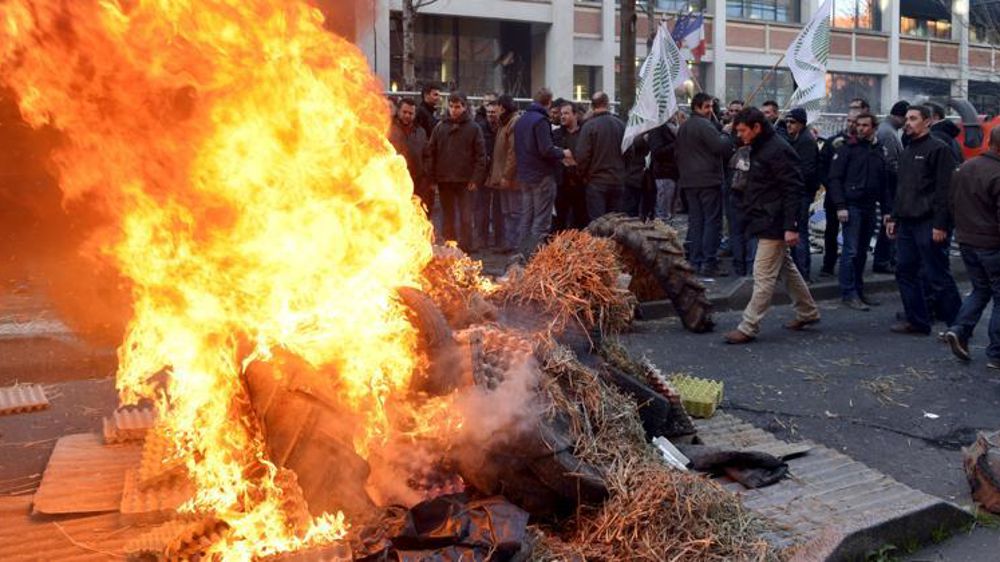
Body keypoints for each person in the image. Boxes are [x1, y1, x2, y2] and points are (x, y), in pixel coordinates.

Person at [723, 108, 820, 344]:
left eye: (743, 131)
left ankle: (748, 326)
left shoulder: (777, 150)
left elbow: (793, 189)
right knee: (786, 269)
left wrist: (791, 226)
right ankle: (807, 311)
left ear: (756, 128)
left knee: (763, 275)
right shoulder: (762, 146)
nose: (739, 135)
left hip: (773, 221)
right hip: (766, 218)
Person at [886, 105, 961, 335]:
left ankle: (958, 328)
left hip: (928, 223)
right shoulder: (908, 150)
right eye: (907, 118)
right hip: (907, 223)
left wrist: (940, 224)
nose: (907, 123)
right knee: (905, 271)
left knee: (937, 275)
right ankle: (918, 321)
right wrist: (894, 217)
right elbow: (902, 189)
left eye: (913, 118)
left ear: (927, 122)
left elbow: (946, 191)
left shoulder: (939, 149)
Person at [944, 128, 1000, 366]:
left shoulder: (965, 167)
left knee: (980, 290)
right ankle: (996, 353)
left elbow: (951, 202)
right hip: (991, 243)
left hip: (967, 240)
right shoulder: (997, 173)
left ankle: (959, 329)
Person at [826, 112, 891, 310]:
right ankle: (849, 293)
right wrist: (840, 206)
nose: (860, 128)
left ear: (874, 128)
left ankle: (858, 290)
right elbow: (835, 178)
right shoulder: (847, 148)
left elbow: (884, 183)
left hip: (869, 206)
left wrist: (887, 210)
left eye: (865, 125)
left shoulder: (878, 150)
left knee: (861, 251)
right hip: (851, 205)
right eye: (859, 125)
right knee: (851, 251)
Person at [677, 92, 734, 277]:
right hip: (708, 180)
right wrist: (726, 133)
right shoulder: (704, 125)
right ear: (697, 107)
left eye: (711, 106)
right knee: (711, 221)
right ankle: (708, 261)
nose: (710, 110)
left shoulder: (685, 126)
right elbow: (721, 147)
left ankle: (695, 260)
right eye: (707, 107)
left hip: (689, 181)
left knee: (696, 221)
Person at [424, 92, 487, 252]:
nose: (454, 110)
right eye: (451, 106)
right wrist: (432, 179)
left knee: (466, 216)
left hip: (465, 181)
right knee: (448, 216)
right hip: (444, 179)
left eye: (457, 107)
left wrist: (475, 179)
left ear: (464, 107)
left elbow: (481, 156)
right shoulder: (440, 127)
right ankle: (449, 247)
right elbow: (431, 153)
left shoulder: (473, 128)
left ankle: (466, 248)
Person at [514, 87, 572, 258]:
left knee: (527, 217)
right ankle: (533, 258)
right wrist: (563, 153)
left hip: (525, 175)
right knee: (541, 219)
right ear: (549, 102)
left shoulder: (522, 119)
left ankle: (522, 254)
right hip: (541, 176)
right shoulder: (541, 121)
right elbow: (546, 149)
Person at [818, 110, 860, 277]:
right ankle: (828, 264)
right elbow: (822, 166)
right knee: (831, 230)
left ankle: (851, 268)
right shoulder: (834, 142)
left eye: (854, 121)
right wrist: (830, 185)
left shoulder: (863, 145)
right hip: (834, 195)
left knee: (854, 233)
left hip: (853, 195)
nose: (851, 124)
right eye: (849, 121)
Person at [575, 91, 627, 221]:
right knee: (616, 222)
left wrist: (583, 175)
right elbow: (629, 152)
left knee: (598, 223)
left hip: (596, 182)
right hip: (617, 180)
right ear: (608, 104)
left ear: (592, 106)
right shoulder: (621, 125)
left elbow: (582, 156)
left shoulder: (589, 126)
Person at [872, 100, 909, 274]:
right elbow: (890, 163)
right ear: (900, 117)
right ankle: (883, 259)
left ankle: (886, 258)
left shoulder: (889, 130)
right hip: (891, 186)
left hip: (891, 185)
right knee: (890, 224)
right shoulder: (888, 133)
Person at [784, 108, 820, 281]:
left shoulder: (806, 142)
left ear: (801, 124)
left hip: (801, 193)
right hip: (798, 192)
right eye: (787, 122)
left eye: (792, 122)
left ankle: (802, 273)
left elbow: (806, 171)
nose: (788, 125)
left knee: (799, 233)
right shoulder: (798, 138)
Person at [486, 95, 523, 253]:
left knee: (514, 212)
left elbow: (513, 153)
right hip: (503, 177)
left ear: (503, 107)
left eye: (498, 107)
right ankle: (509, 243)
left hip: (511, 179)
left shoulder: (514, 123)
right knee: (507, 212)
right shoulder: (504, 123)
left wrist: (507, 175)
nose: (496, 110)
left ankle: (516, 245)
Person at [388, 97, 431, 215]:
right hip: (394, 182)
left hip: (417, 182)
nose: (407, 115)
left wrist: (425, 172)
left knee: (415, 215)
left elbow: (427, 155)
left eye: (411, 113)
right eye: (405, 112)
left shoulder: (421, 132)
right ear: (398, 111)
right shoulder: (388, 129)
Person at [553, 101, 588, 230]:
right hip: (561, 183)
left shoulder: (585, 133)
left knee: (581, 219)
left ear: (575, 115)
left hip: (580, 183)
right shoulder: (556, 134)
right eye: (561, 114)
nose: (562, 116)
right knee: (560, 220)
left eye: (566, 113)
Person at [475, 101, 503, 249]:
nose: (491, 115)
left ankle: (499, 240)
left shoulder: (502, 128)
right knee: (482, 208)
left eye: (494, 112)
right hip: (484, 174)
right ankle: (482, 239)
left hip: (498, 173)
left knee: (499, 208)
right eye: (489, 112)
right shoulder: (480, 128)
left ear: (499, 112)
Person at [648, 112, 683, 221]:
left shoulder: (674, 129)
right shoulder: (657, 129)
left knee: (670, 211)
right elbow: (657, 152)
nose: (675, 115)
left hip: (674, 173)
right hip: (664, 173)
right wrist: (676, 144)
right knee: (663, 212)